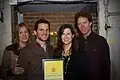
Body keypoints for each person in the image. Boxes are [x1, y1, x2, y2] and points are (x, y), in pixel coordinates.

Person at [74, 12, 110, 80]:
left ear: (90, 23)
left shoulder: (101, 41)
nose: (82, 26)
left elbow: (106, 67)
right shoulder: (76, 42)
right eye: (79, 24)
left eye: (84, 23)